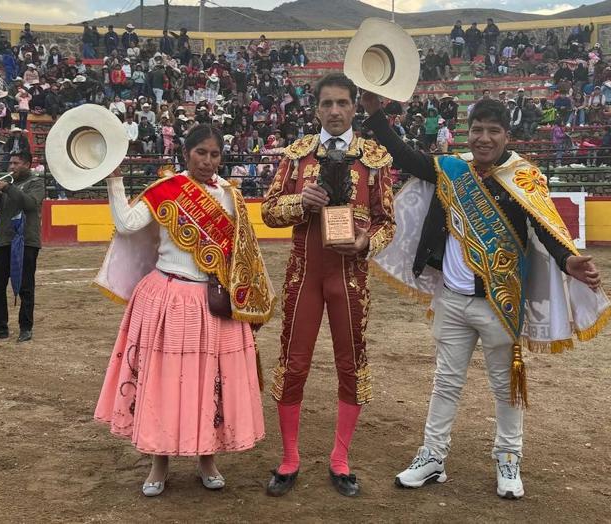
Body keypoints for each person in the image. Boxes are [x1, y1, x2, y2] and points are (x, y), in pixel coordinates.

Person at [362, 94, 611, 500]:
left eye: (492, 131)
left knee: (505, 387)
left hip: (501, 303)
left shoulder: (524, 177)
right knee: (445, 382)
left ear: (506, 135)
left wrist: (569, 261)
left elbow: (546, 229)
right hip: (452, 299)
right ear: (469, 132)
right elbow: (403, 156)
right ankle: (432, 456)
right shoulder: (451, 168)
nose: (483, 138)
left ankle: (508, 458)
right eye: (477, 130)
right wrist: (375, 114)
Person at [94, 124, 276, 496]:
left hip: (213, 303)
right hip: (169, 297)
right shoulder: (167, 190)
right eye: (201, 153)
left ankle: (207, 457)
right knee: (163, 380)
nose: (208, 161)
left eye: (214, 154)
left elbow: (244, 254)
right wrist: (114, 181)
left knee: (211, 381)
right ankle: (157, 461)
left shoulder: (230, 195)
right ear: (186, 152)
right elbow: (126, 225)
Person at [261, 73, 395, 498]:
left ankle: (340, 459)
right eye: (327, 104)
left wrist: (365, 241)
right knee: (294, 361)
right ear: (316, 108)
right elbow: (267, 210)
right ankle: (289, 457)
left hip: (350, 275)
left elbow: (387, 221)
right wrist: (301, 202)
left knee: (350, 364)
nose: (334, 111)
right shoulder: (297, 154)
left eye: (342, 103)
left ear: (355, 106)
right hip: (305, 273)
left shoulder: (375, 158)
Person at [0, 150, 44, 343]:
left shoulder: (36, 182)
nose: (11, 167)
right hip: (5, 240)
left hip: (26, 240)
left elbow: (29, 204)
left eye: (16, 163)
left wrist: (6, 188)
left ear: (27, 164)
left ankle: (25, 327)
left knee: (26, 286)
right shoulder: (7, 185)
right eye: (10, 163)